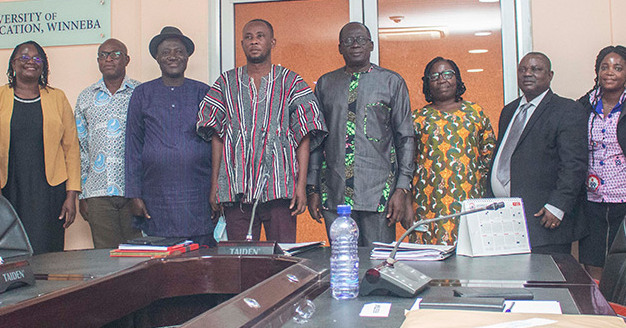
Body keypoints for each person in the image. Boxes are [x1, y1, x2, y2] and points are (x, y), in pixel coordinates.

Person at [197, 19, 326, 243]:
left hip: (280, 189)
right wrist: (215, 186)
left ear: (272, 42)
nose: (254, 41)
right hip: (237, 190)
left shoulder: (291, 81)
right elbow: (216, 137)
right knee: (241, 262)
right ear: (242, 43)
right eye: (248, 37)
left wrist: (301, 186)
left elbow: (304, 136)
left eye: (260, 36)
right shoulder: (225, 83)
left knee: (282, 259)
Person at [306, 22, 413, 245]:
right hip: (335, 193)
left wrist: (402, 188)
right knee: (342, 264)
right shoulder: (326, 84)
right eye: (348, 41)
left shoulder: (392, 82)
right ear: (339, 48)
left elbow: (405, 139)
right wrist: (313, 188)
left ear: (371, 45)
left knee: (378, 266)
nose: (355, 45)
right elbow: (316, 141)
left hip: (380, 193)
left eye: (361, 40)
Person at [0, 41, 81, 255]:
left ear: (44, 65)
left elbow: (71, 149)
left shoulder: (57, 97)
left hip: (49, 191)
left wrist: (71, 196)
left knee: (48, 252)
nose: (31, 62)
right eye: (24, 57)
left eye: (37, 58)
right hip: (8, 190)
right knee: (10, 252)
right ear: (13, 64)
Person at [488, 52, 588, 253]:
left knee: (546, 282)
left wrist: (557, 206)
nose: (527, 74)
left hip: (544, 221)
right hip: (506, 219)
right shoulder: (509, 111)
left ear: (550, 75)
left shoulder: (567, 109)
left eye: (536, 69)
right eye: (523, 69)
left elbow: (574, 164)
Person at [126, 27, 215, 247]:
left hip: (198, 194)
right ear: (157, 57)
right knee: (162, 265)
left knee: (200, 263)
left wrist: (218, 190)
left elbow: (218, 144)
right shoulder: (142, 94)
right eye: (166, 52)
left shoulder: (204, 92)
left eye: (178, 51)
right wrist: (134, 195)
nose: (173, 56)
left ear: (187, 57)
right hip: (157, 196)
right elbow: (132, 146)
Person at [574, 46, 626, 280]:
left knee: (624, 259)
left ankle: (619, 310)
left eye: (618, 68)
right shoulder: (582, 107)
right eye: (604, 67)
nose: (610, 72)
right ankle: (599, 311)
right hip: (591, 198)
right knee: (592, 258)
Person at [411, 56, 497, 245]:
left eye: (448, 74)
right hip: (428, 203)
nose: (442, 80)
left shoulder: (475, 112)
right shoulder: (417, 118)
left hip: (470, 202)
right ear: (427, 84)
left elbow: (489, 156)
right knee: (429, 263)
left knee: (470, 258)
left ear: (457, 79)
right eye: (434, 76)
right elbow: (407, 163)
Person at [74, 38, 141, 249]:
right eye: (103, 55)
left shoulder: (141, 93)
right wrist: (82, 195)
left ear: (127, 59)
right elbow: (81, 148)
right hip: (97, 193)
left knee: (139, 258)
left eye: (115, 54)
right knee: (105, 261)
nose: (109, 59)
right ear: (98, 61)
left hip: (134, 192)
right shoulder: (85, 97)